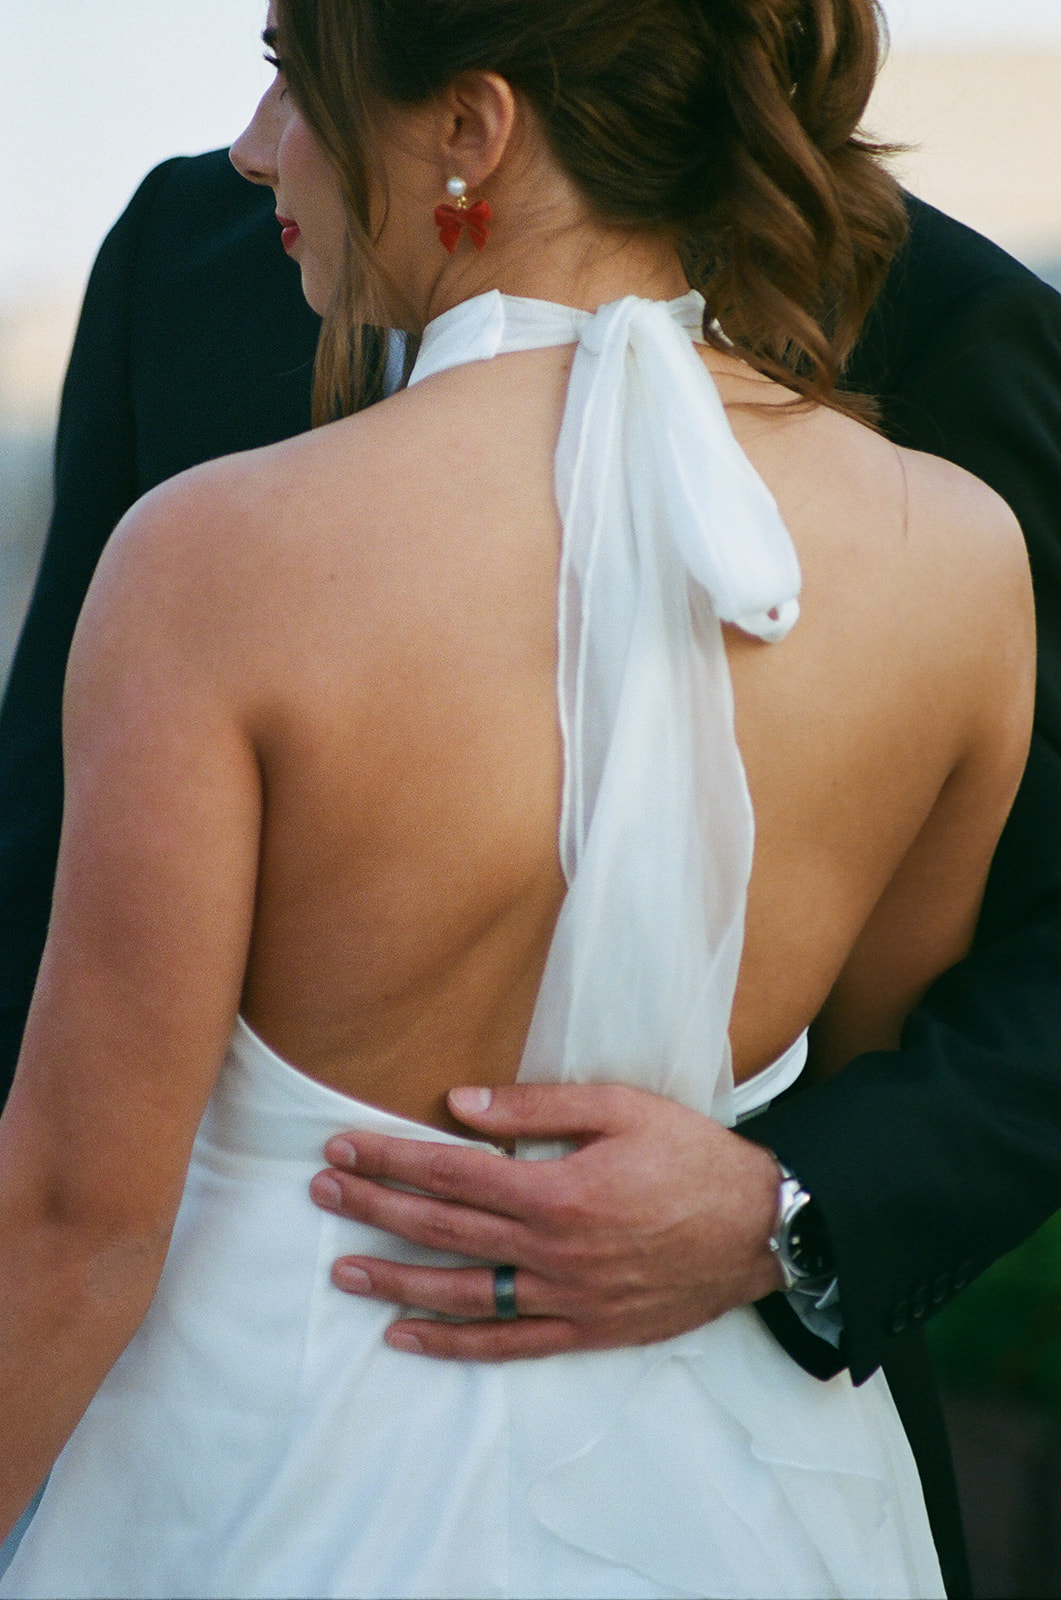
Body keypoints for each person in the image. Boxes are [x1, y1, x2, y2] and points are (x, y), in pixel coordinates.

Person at [0, 0, 1043, 1595]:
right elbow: (871, 1033)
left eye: (292, 74)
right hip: (754, 1510)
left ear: (472, 128)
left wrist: (789, 1204)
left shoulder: (212, 559)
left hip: (256, 1471)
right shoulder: (955, 559)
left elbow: (76, 1212)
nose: (253, 144)